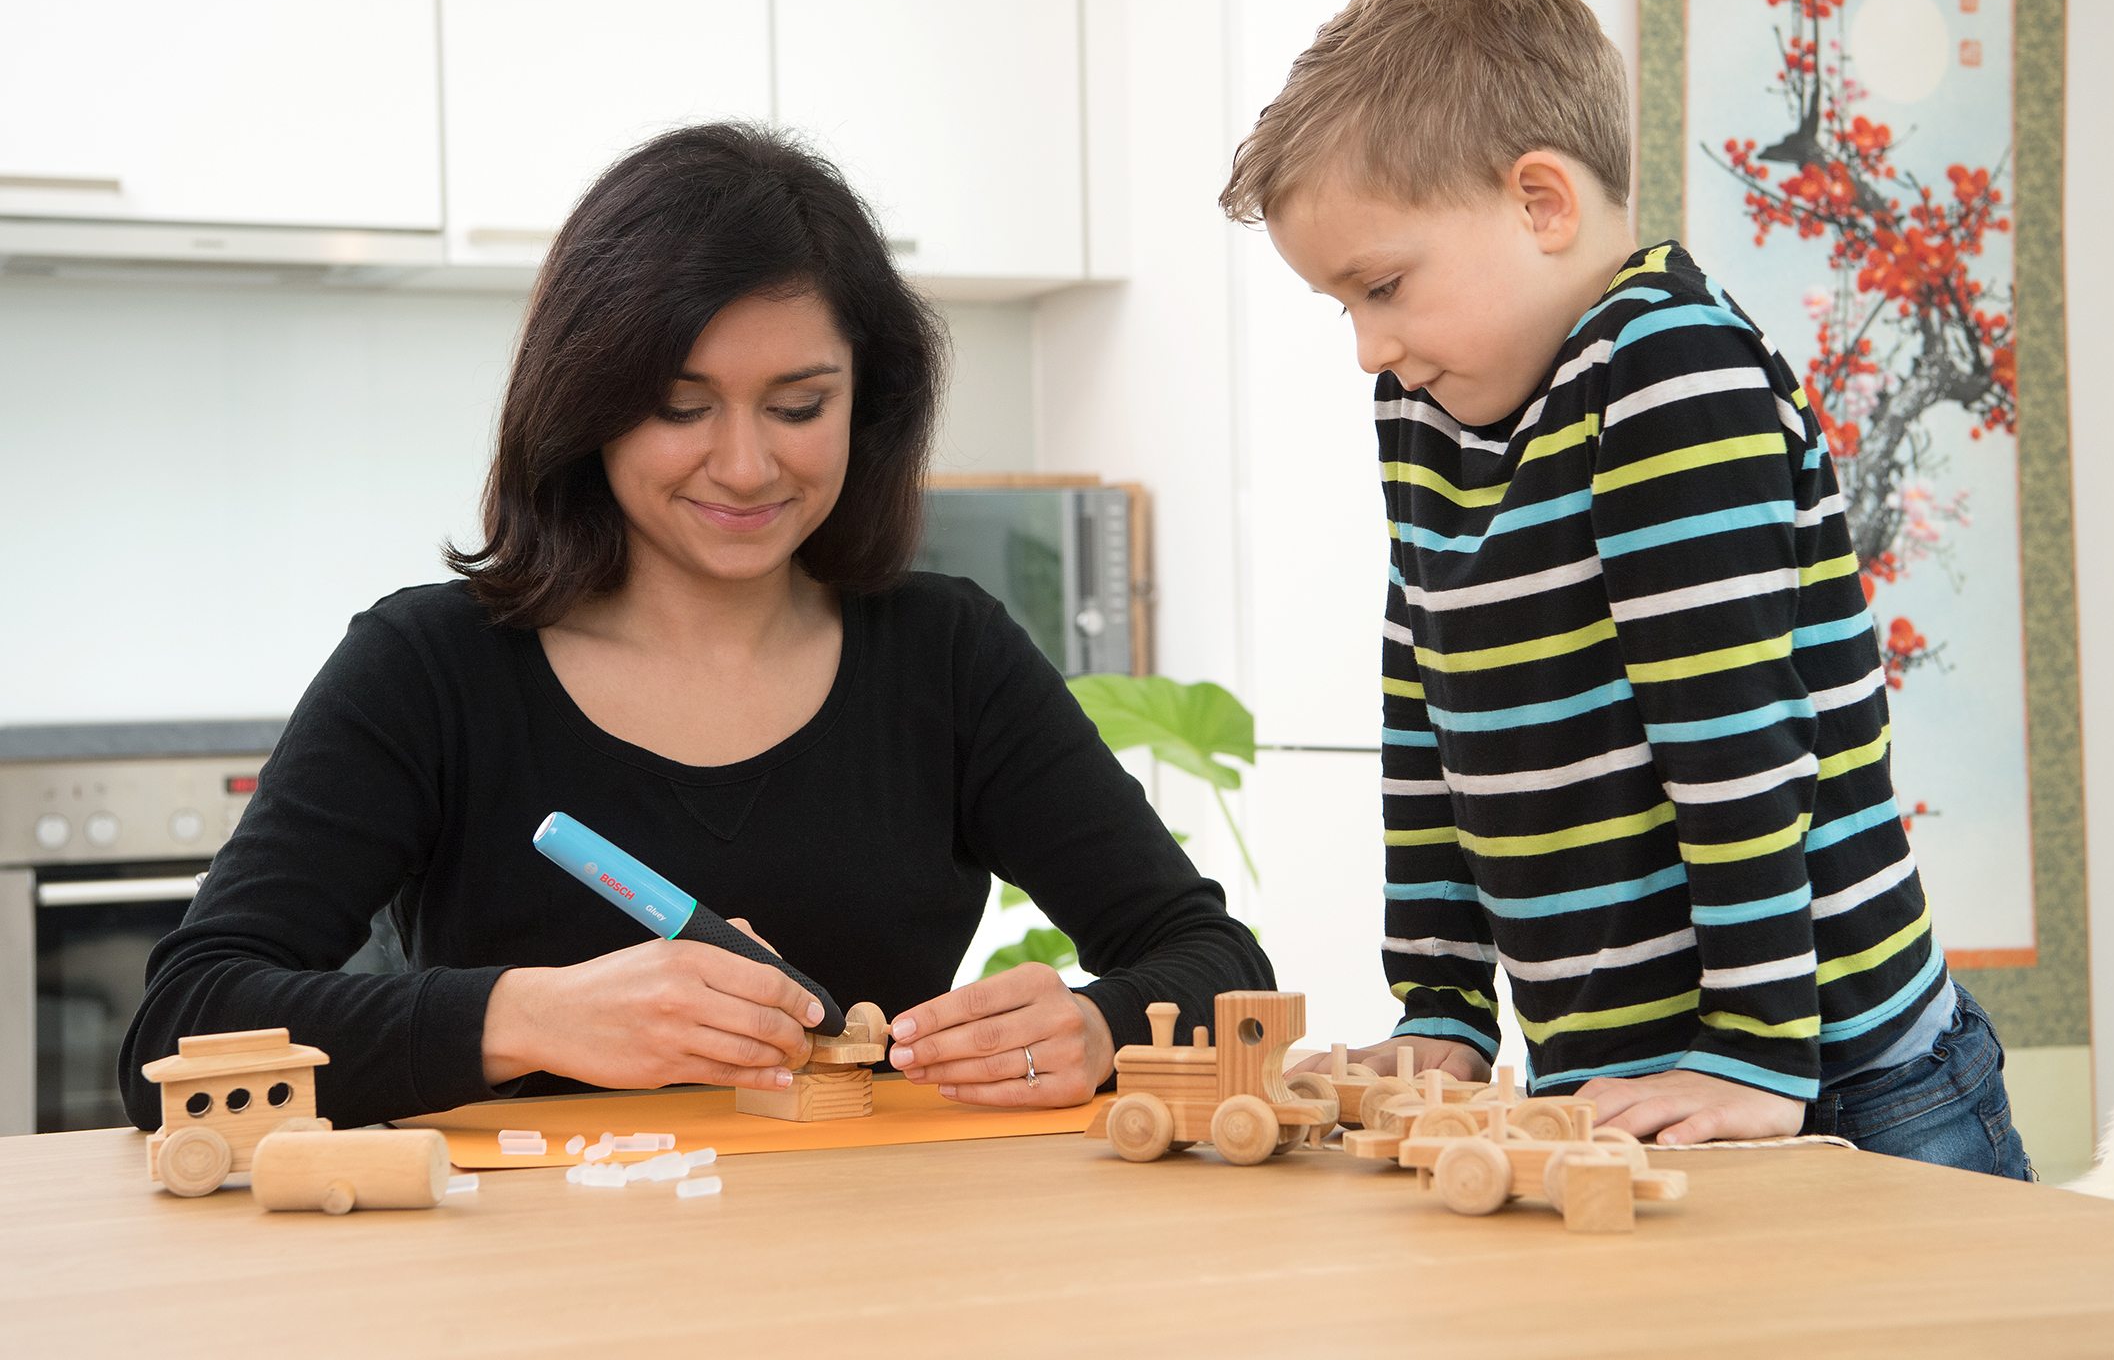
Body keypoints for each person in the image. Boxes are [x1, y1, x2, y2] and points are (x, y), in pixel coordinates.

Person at [121, 123, 1270, 1131]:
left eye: (798, 405)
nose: (744, 463)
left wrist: (1099, 1021)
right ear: (588, 401)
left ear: (863, 404)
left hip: (873, 1264)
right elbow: (180, 1022)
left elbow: (1216, 962)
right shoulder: (428, 667)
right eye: (681, 406)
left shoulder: (946, 655)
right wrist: (527, 1016)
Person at [1220, 0, 2030, 1176]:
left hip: (1844, 1083)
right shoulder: (1423, 416)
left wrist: (1755, 1045)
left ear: (1540, 202)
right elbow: (1426, 720)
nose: (1367, 347)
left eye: (1380, 286)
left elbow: (1732, 738)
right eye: (1345, 306)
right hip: (1630, 1084)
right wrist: (1441, 1005)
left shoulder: (1665, 372)